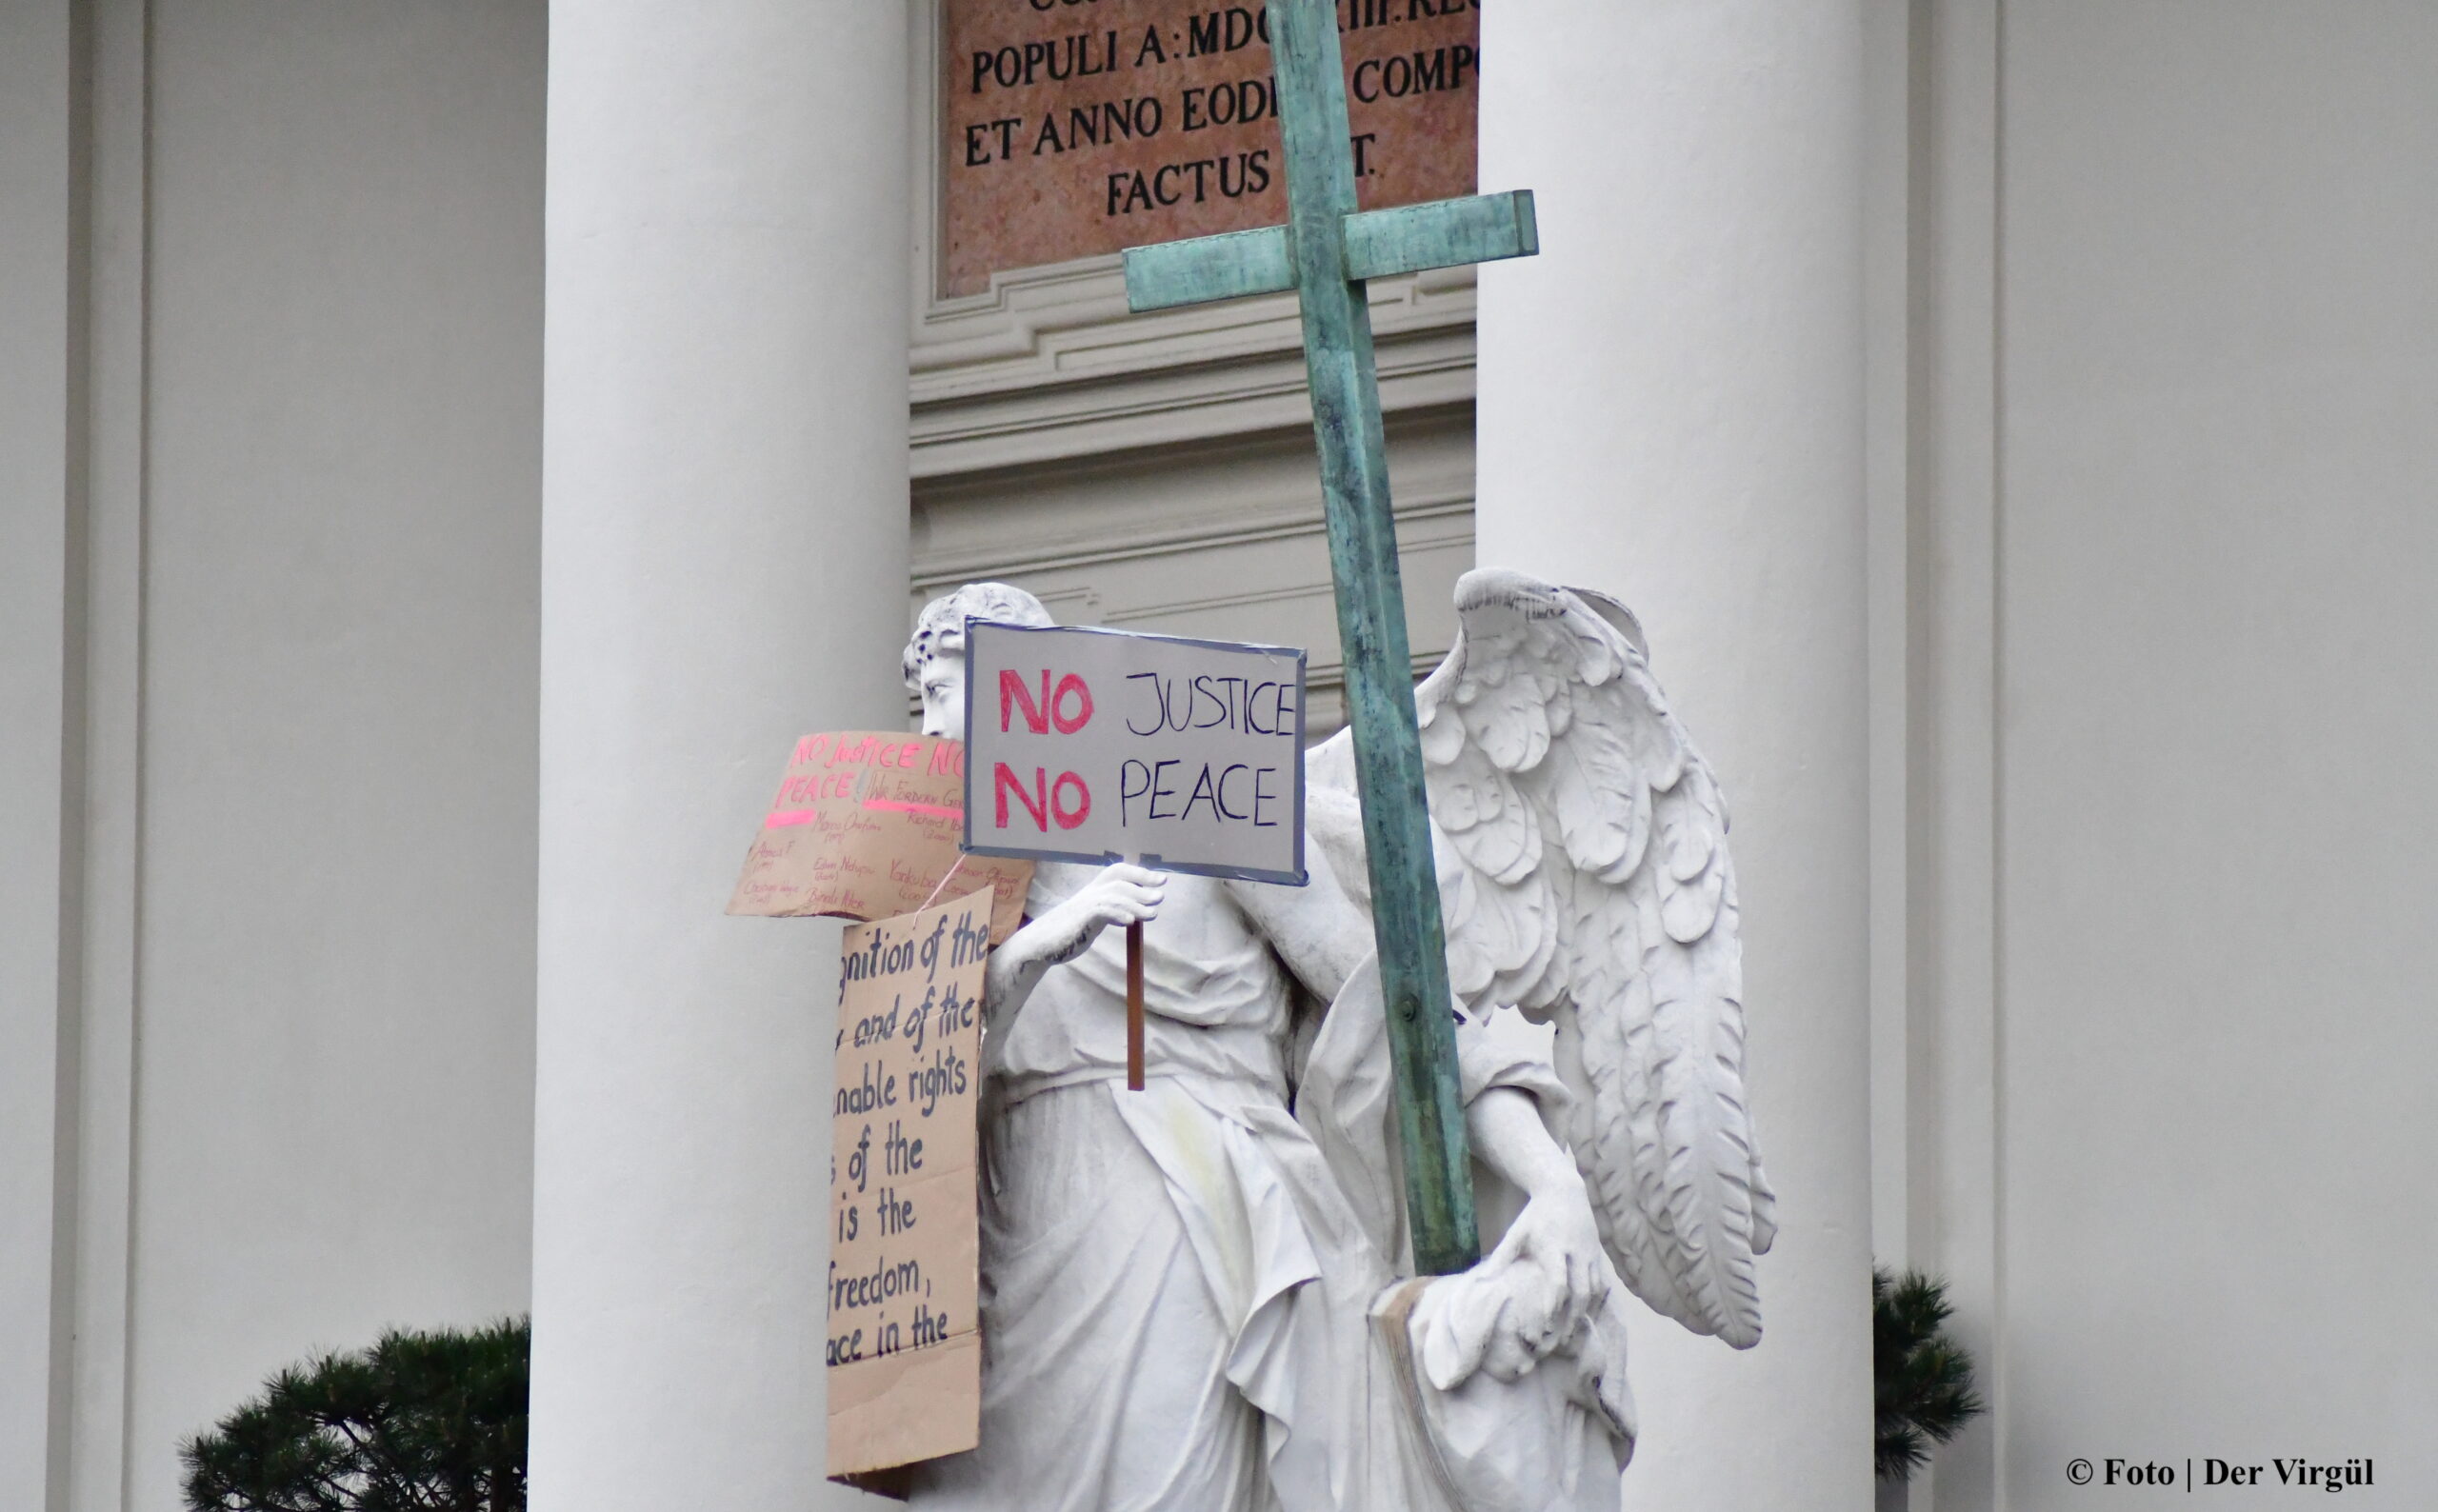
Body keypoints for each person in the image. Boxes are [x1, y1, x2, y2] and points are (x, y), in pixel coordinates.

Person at [900, 583, 1633, 1512]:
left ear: (1030, 685)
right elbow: (931, 1090)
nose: (929, 731)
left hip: (1177, 1213)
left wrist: (1553, 1182)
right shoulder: (949, 886)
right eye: (919, 702)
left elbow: (1403, 1011)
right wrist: (1037, 949)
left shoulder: (1192, 793)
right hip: (1019, 1234)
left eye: (949, 689)